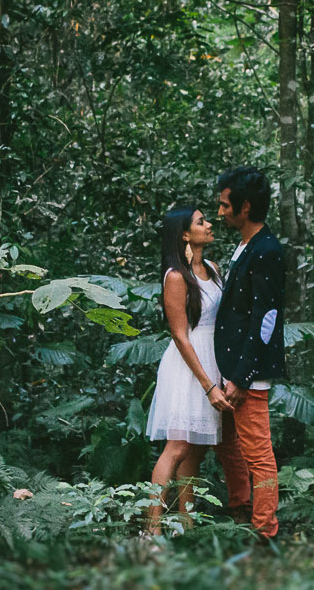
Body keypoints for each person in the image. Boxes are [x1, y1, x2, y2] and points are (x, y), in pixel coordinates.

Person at [142, 203, 229, 534]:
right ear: (184, 234)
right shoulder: (176, 276)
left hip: (212, 359)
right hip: (187, 366)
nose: (209, 225)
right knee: (177, 446)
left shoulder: (213, 269)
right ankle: (151, 530)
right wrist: (208, 385)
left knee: (195, 451)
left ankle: (186, 527)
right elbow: (179, 335)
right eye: (200, 221)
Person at [211, 165, 285, 541]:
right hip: (231, 366)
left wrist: (243, 376)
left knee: (258, 453)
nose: (220, 212)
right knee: (227, 445)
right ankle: (241, 508)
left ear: (245, 206)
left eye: (226, 206)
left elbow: (265, 319)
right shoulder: (245, 245)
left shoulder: (267, 250)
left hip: (247, 372)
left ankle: (265, 531)